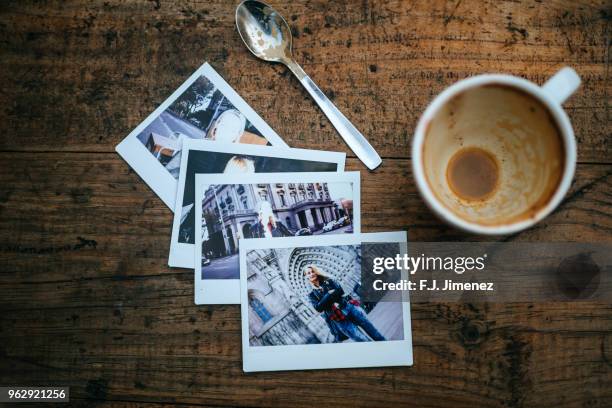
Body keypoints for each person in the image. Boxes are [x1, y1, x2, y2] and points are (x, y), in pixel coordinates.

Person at [304, 265, 386, 343]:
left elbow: (340, 291)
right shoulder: (311, 295)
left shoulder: (329, 281)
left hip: (349, 308)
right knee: (362, 339)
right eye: (308, 273)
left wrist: (324, 301)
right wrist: (328, 294)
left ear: (316, 272)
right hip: (338, 318)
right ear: (306, 277)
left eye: (312, 272)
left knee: (373, 331)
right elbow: (318, 308)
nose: (311, 274)